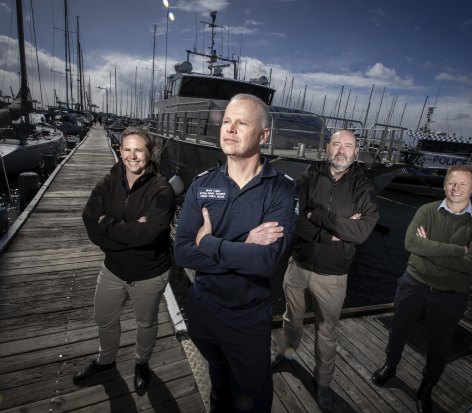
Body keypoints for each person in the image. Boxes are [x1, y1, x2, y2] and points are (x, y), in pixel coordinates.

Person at [174, 93, 296, 412]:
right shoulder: (202, 185)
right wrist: (243, 247)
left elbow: (267, 261)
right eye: (227, 121)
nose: (230, 128)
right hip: (202, 311)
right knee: (220, 386)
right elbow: (183, 253)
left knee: (253, 397)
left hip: (246, 318)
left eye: (241, 123)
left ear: (264, 136)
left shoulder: (281, 189)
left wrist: (210, 243)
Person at [371, 164, 472, 413]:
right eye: (451, 182)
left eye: (462, 184)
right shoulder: (426, 210)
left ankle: (427, 387)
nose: (456, 188)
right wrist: (458, 250)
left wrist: (428, 248)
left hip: (451, 295)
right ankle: (390, 365)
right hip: (413, 284)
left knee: (439, 344)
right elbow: (410, 243)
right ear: (444, 184)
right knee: (398, 330)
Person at [271, 129, 380, 412]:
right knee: (291, 320)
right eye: (336, 144)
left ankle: (323, 382)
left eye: (348, 146)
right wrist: (329, 233)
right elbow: (293, 219)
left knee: (326, 331)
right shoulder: (310, 176)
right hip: (298, 266)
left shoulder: (363, 188)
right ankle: (288, 355)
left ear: (356, 152)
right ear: (327, 148)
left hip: (333, 276)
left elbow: (362, 232)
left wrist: (318, 216)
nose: (342, 150)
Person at [74, 127, 176, 393]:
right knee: (103, 317)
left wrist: (107, 222)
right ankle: (106, 361)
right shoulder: (106, 183)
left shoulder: (162, 190)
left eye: (139, 150)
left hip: (149, 273)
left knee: (146, 323)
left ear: (150, 154)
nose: (133, 156)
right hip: (113, 268)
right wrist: (127, 229)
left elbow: (150, 233)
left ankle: (142, 363)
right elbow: (89, 221)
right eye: (127, 149)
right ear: (120, 151)